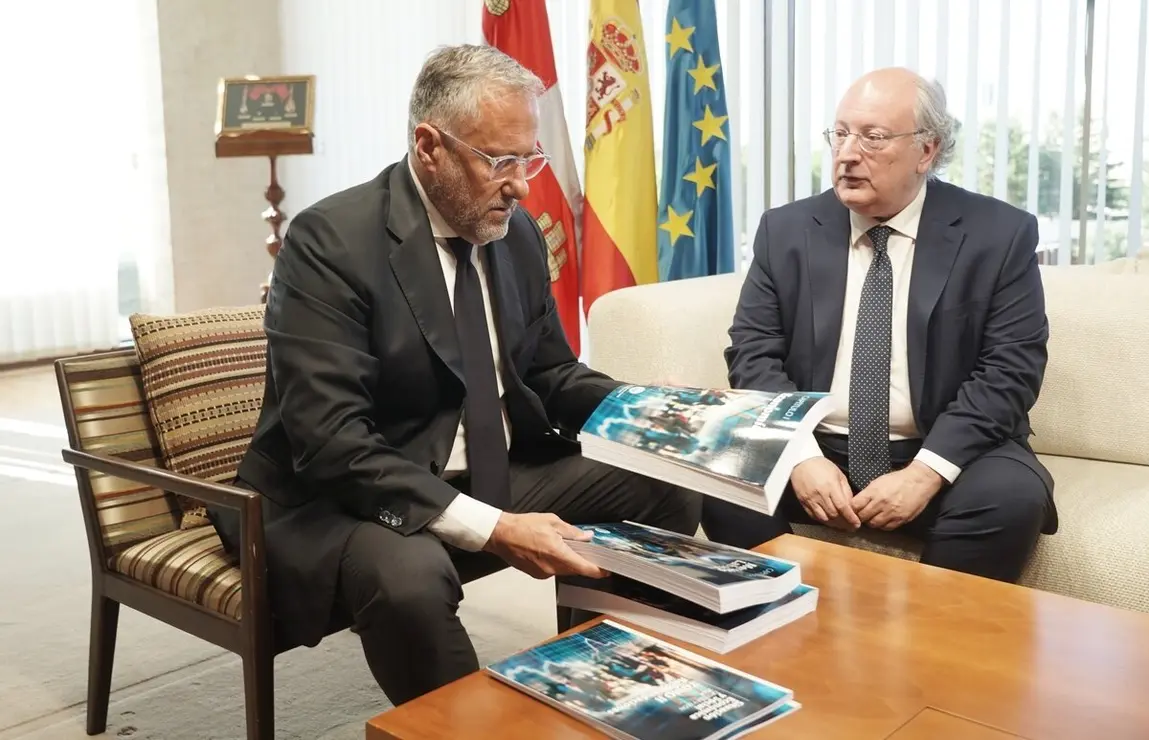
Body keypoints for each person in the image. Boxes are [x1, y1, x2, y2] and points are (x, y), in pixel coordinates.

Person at [208, 44, 701, 706]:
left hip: (488, 467)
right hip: (345, 496)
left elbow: (550, 372)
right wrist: (494, 528)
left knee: (662, 488)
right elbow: (330, 444)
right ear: (429, 146)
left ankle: (598, 684)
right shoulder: (331, 241)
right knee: (408, 579)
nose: (521, 184)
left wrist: (655, 415)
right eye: (500, 160)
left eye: (529, 158)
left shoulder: (514, 231)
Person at [701, 68, 1056, 583]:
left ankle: (928, 649)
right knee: (717, 474)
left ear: (927, 151)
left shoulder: (998, 234)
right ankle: (780, 630)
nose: (847, 153)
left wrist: (925, 473)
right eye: (840, 133)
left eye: (872, 137)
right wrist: (798, 454)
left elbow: (1010, 370)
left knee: (1009, 498)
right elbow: (753, 352)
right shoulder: (786, 230)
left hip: (941, 444)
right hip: (816, 440)